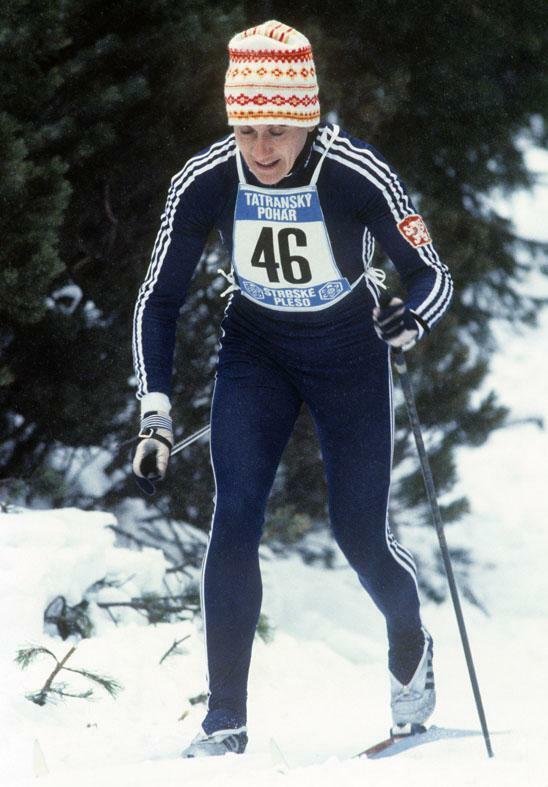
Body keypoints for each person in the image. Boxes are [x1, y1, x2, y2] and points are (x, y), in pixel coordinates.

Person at [132, 20, 452, 758]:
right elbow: (158, 300)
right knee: (235, 511)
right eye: (246, 129)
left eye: (278, 129)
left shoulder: (355, 173)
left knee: (359, 533)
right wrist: (154, 411)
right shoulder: (207, 178)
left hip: (350, 356)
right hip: (258, 351)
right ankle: (225, 721)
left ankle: (410, 643)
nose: (263, 149)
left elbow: (432, 271)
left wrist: (413, 321)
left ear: (307, 116)